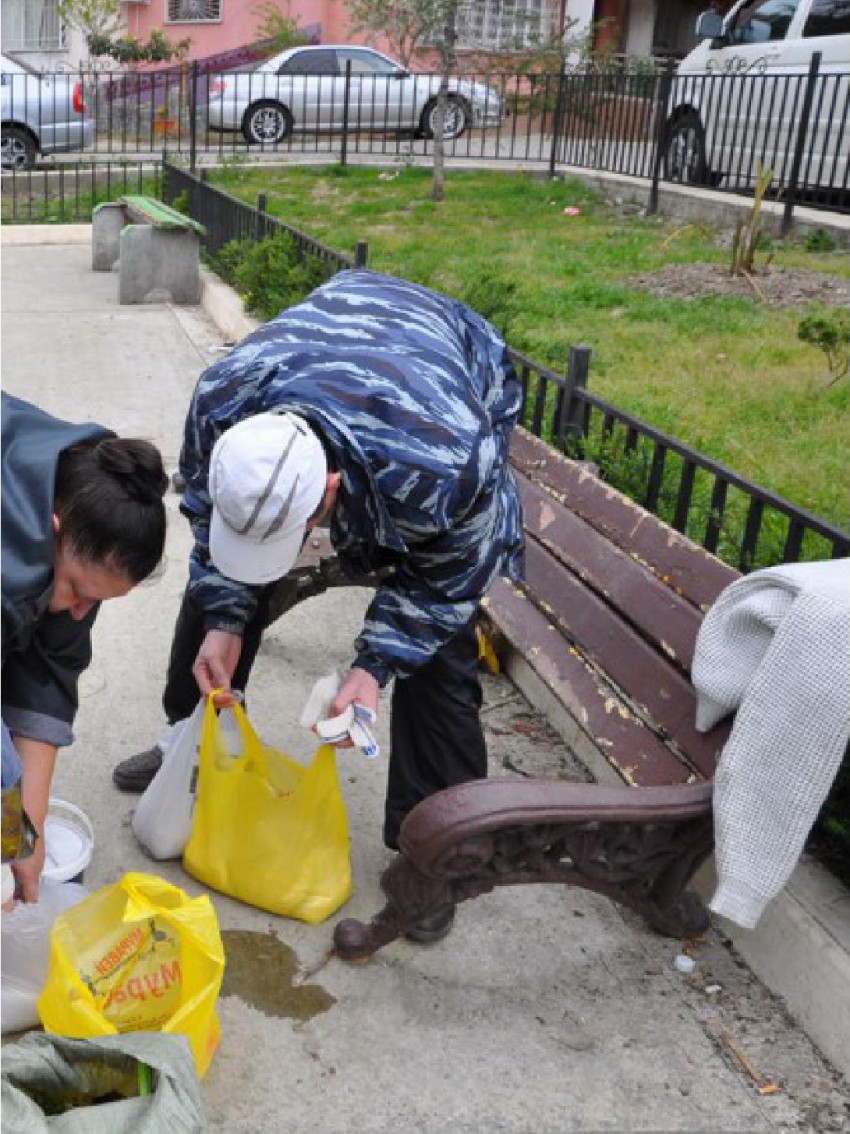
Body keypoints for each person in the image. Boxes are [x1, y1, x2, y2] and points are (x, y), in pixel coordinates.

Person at [112, 268, 525, 941]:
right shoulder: (223, 401)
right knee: (214, 597)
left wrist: (373, 667)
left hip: (439, 375)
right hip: (330, 352)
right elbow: (211, 520)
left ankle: (437, 852)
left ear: (329, 491)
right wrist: (224, 617)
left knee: (438, 650)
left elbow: (447, 582)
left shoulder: (443, 464)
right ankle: (188, 744)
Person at [1, 392, 168, 903]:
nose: (81, 612)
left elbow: (47, 676)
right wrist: (9, 833)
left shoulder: (82, 495)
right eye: (78, 590)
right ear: (50, 529)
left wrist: (28, 837)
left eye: (96, 601)